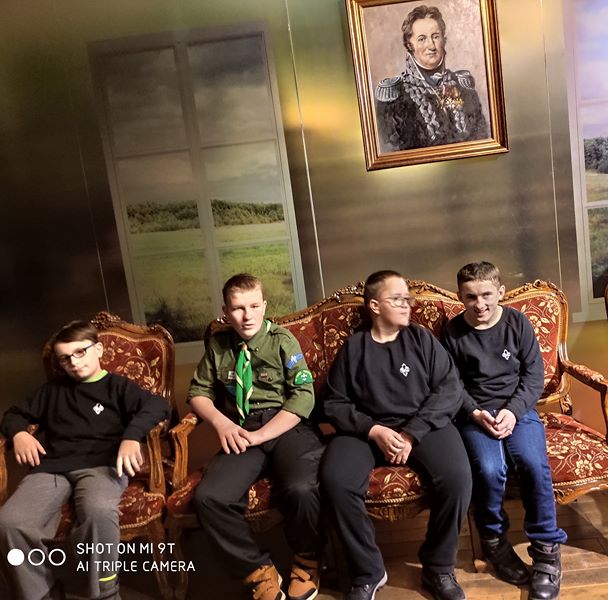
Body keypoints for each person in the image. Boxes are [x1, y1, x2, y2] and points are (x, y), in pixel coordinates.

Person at [320, 270, 472, 600]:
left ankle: (438, 567)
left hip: (421, 425)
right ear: (374, 306)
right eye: (397, 299)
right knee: (335, 480)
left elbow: (449, 389)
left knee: (458, 476)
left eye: (407, 298)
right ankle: (368, 571)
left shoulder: (421, 339)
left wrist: (411, 434)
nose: (407, 305)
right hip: (366, 430)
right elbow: (334, 402)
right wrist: (373, 430)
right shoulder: (354, 348)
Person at [0, 320, 170, 600]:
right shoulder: (51, 390)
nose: (74, 362)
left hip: (102, 465)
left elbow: (158, 405)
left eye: (81, 352)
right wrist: (19, 434)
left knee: (99, 512)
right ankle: (42, 592)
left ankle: (105, 592)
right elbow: (13, 414)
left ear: (98, 349)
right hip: (53, 467)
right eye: (65, 358)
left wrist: (132, 436)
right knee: (9, 522)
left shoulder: (118, 386)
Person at [188, 273, 323, 600]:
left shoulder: (282, 340)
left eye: (253, 306)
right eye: (237, 308)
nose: (247, 315)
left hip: (285, 425)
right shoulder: (219, 345)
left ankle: (307, 560)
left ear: (263, 306)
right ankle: (257, 570)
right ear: (225, 312)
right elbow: (197, 393)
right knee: (209, 497)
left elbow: (303, 397)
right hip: (242, 429)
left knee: (302, 488)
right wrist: (222, 424)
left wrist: (263, 434)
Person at [443, 261, 567, 600]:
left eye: (486, 295)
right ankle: (494, 541)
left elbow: (534, 377)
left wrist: (513, 411)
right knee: (488, 468)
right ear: (460, 296)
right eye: (471, 297)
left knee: (533, 464)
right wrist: (475, 412)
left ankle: (546, 551)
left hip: (519, 410)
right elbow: (452, 385)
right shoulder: (453, 332)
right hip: (475, 414)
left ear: (500, 292)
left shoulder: (517, 322)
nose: (479, 304)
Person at [375, 5, 488, 151]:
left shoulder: (463, 87)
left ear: (444, 40)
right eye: (422, 39)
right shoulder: (394, 98)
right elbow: (394, 154)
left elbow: (482, 140)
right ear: (409, 45)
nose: (431, 46)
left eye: (435, 37)